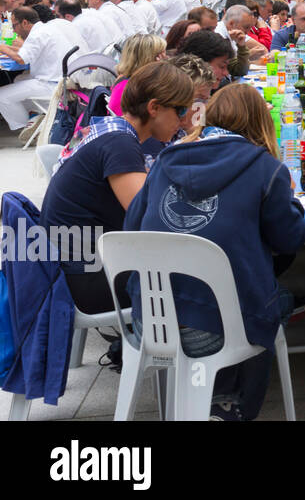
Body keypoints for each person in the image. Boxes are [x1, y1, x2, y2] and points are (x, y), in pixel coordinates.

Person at [124, 83, 305, 420]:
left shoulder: (165, 160)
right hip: (216, 329)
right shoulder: (266, 170)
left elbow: (131, 229)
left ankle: (212, 397)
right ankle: (232, 406)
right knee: (276, 301)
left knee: (239, 296)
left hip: (149, 320)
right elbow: (288, 240)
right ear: (260, 124)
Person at [38, 61, 195, 313]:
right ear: (154, 107)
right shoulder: (120, 145)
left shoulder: (106, 129)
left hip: (70, 266)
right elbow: (151, 218)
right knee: (206, 279)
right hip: (87, 279)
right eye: (182, 109)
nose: (187, 119)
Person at [0, 6, 85, 130]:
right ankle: (35, 118)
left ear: (24, 23)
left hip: (54, 85)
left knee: (2, 95)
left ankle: (25, 128)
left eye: (14, 26)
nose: (14, 31)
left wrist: (2, 48)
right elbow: (26, 51)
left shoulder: (37, 34)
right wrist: (7, 49)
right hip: (65, 80)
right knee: (19, 79)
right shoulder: (46, 29)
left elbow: (21, 59)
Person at [107, 32, 166, 115]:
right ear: (146, 58)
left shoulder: (132, 81)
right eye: (159, 55)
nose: (164, 58)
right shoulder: (129, 88)